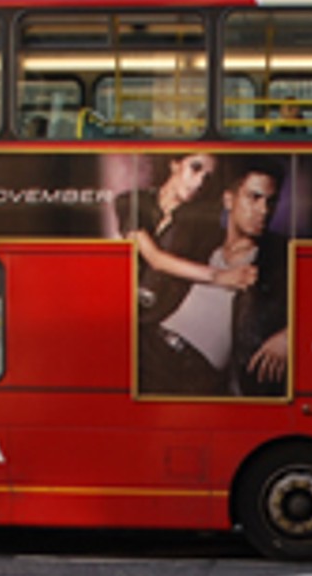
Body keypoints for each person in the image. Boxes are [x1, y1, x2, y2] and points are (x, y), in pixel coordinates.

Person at [138, 158, 288, 397]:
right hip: (152, 348)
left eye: (272, 201)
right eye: (254, 198)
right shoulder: (200, 239)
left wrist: (290, 335)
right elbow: (153, 255)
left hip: (200, 375)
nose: (264, 210)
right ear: (230, 200)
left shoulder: (278, 257)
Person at [115, 153, 254, 327]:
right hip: (117, 308)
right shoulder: (131, 201)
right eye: (195, 168)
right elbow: (155, 258)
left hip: (154, 323)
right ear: (175, 165)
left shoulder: (203, 225)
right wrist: (219, 277)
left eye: (207, 177)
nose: (199, 182)